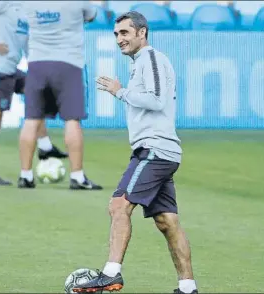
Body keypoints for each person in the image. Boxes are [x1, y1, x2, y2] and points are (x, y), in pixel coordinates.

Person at [73, 12, 198, 294]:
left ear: (142, 33)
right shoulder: (139, 62)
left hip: (155, 149)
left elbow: (156, 100)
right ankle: (188, 287)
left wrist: (120, 91)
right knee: (167, 221)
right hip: (159, 150)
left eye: (125, 33)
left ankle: (110, 273)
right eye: (117, 34)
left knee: (119, 205)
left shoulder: (151, 58)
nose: (120, 39)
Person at [0, 1, 67, 186]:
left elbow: (27, 45)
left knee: (37, 93)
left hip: (11, 69)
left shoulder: (28, 10)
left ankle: (45, 146)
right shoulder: (5, 3)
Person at [18, 1, 102, 190]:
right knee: (72, 120)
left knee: (32, 120)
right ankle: (77, 176)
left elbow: (22, 22)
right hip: (68, 63)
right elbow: (92, 15)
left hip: (37, 64)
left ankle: (25, 175)